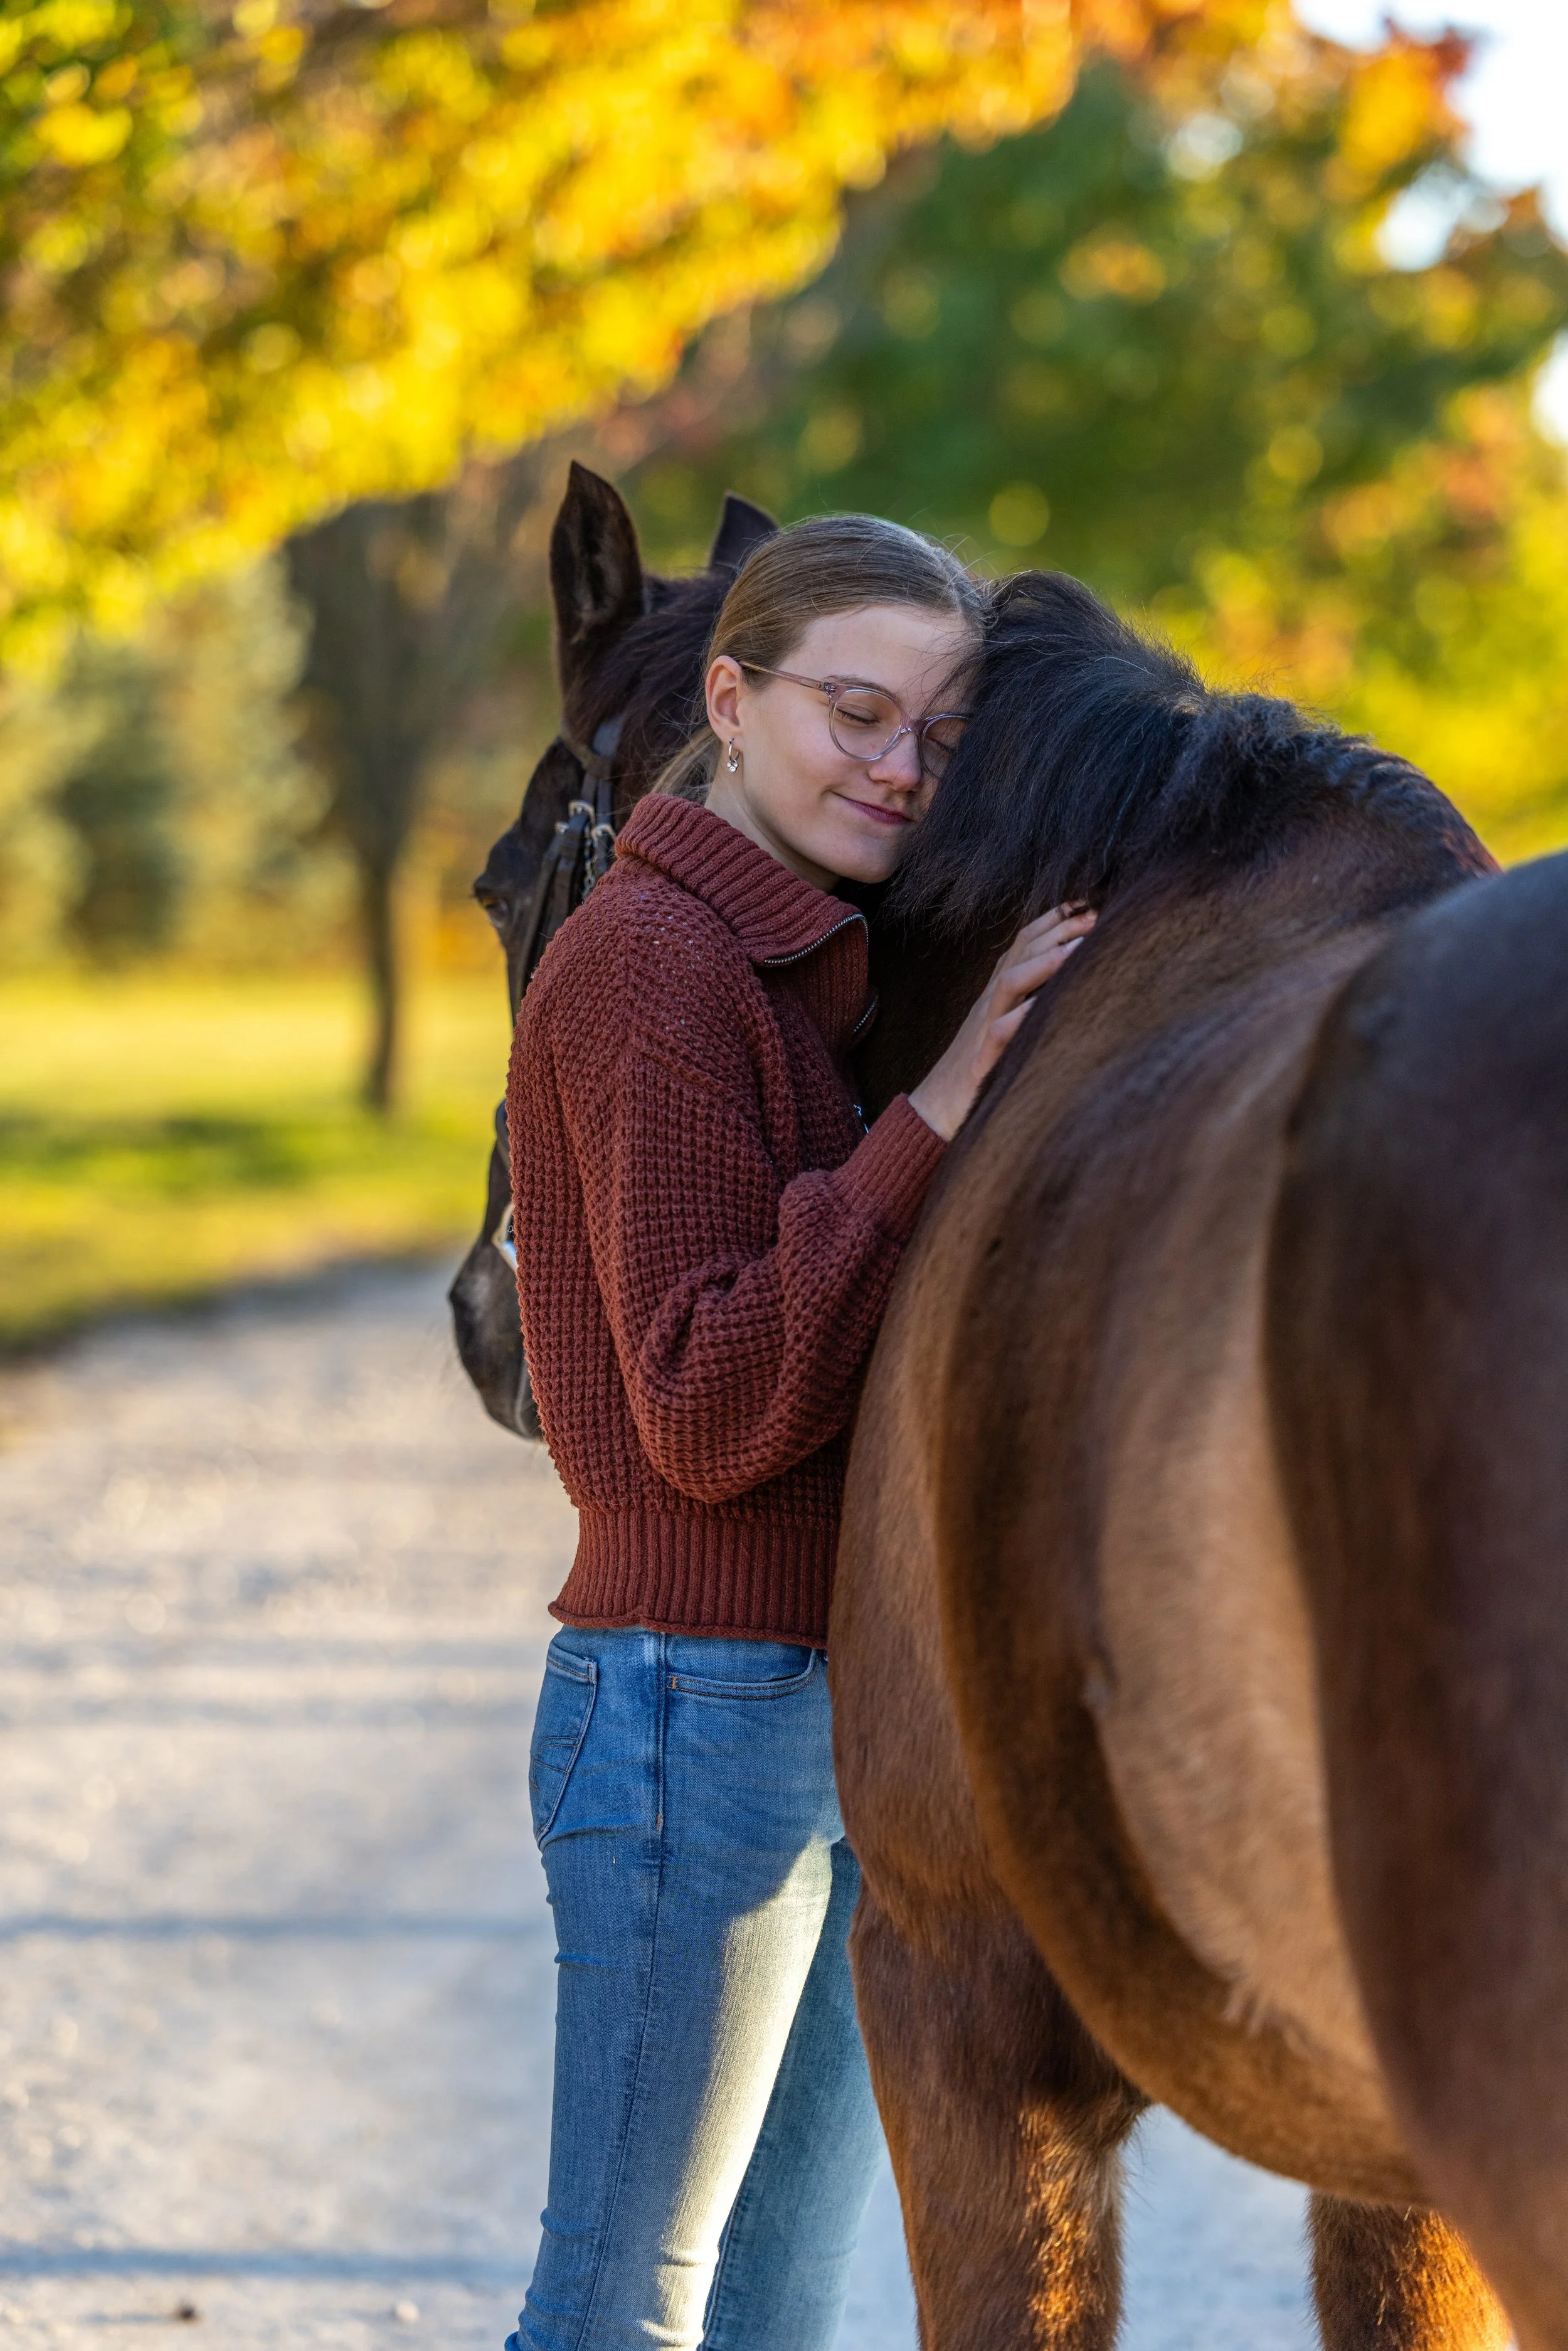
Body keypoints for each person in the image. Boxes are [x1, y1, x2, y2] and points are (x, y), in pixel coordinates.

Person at [505, 516, 1094, 2351]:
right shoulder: (646, 961)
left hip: (826, 1706)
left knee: (773, 2318)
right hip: (689, 1707)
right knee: (623, 2312)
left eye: (938, 732)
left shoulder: (795, 962)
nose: (898, 768)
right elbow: (704, 1398)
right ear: (726, 697)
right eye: (854, 709)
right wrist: (928, 1112)